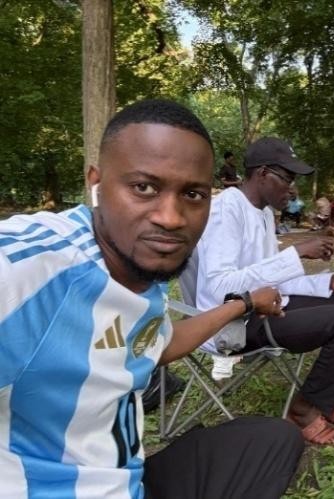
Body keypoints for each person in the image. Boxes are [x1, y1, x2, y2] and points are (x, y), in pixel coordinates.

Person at [0, 100, 304, 499]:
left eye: (192, 194)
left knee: (274, 440)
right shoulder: (32, 269)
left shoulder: (139, 261)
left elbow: (154, 344)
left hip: (127, 476)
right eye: (144, 187)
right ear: (96, 183)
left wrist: (243, 304)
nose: (171, 217)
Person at [195, 136, 334, 445]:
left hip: (269, 304)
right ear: (262, 173)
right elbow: (220, 288)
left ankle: (328, 394)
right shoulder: (226, 209)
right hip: (234, 320)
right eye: (287, 178)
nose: (293, 189)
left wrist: (326, 283)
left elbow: (274, 280)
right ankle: (303, 411)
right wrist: (296, 253)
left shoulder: (265, 213)